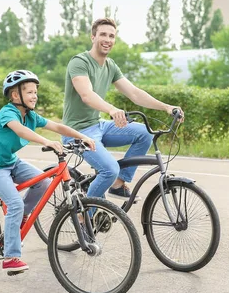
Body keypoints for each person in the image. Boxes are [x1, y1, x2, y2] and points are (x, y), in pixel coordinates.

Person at [0, 70, 96, 273]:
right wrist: (46, 141)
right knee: (14, 203)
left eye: (35, 92)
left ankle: (21, 215)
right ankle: (11, 257)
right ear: (16, 96)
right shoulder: (8, 113)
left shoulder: (30, 116)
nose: (34, 96)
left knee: (43, 182)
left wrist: (81, 136)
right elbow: (21, 131)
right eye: (30, 92)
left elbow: (57, 126)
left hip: (11, 162)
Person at [62, 17, 184, 201]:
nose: (107, 39)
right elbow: (86, 94)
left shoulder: (110, 66)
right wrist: (112, 109)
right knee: (109, 169)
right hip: (77, 132)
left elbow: (134, 93)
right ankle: (83, 217)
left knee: (144, 134)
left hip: (98, 126)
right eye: (103, 34)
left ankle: (118, 184)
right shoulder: (79, 62)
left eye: (112, 36)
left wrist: (166, 107)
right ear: (93, 37)